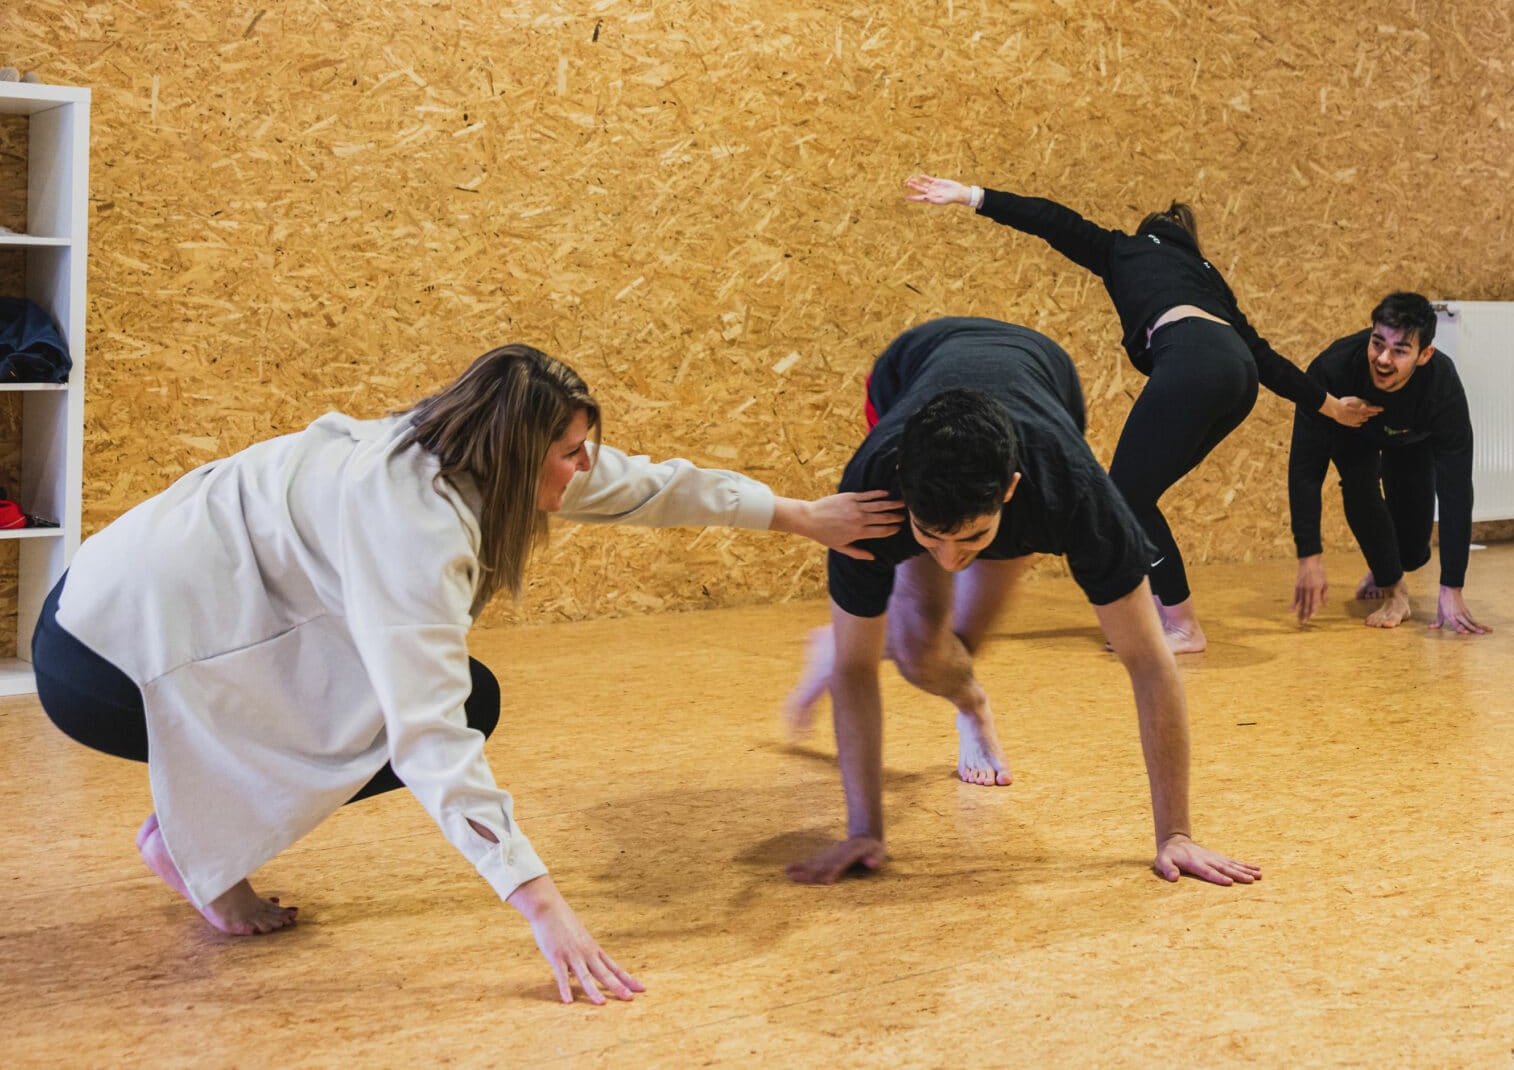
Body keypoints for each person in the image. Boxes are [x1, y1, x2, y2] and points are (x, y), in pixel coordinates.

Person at [31, 345, 900, 1005]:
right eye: (571, 452)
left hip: (151, 613)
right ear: (518, 452)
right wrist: (545, 909)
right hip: (107, 656)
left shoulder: (469, 450)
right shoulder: (414, 528)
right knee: (438, 708)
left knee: (450, 693)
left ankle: (196, 833)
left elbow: (645, 487)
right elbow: (431, 740)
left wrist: (800, 517)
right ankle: (198, 850)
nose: (585, 466)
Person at [781, 317, 1260, 889]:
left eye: (973, 539)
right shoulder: (872, 493)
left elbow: (1150, 662)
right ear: (903, 486)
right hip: (907, 370)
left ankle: (969, 703)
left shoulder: (1072, 494)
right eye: (930, 537)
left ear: (1010, 490)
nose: (951, 561)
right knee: (917, 648)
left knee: (961, 645)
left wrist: (1175, 833)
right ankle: (895, 655)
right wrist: (864, 830)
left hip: (1046, 378)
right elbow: (855, 670)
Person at [903, 175, 1371, 654]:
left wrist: (972, 196)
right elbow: (1265, 358)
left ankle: (1182, 626)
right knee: (1136, 496)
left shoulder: (1123, 248)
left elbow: (1052, 220)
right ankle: (1154, 611)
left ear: (1146, 230)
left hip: (1191, 360)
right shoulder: (1207, 276)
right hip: (1239, 377)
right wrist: (1331, 405)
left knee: (1127, 495)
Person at [1287, 293, 1488, 634]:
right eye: (1377, 343)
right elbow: (1305, 470)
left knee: (1413, 553)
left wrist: (1451, 588)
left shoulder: (1441, 386)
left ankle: (1389, 564)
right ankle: (1393, 590)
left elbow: (1455, 489)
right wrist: (1309, 557)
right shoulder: (1332, 370)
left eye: (1399, 351)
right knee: (1358, 486)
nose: (1382, 359)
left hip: (1412, 438)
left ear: (1424, 355)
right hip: (1353, 428)